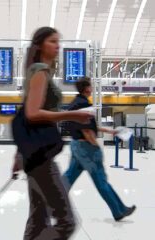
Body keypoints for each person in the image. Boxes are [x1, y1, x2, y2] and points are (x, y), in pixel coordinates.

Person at [11, 27, 93, 240]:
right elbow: (32, 113)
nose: (58, 45)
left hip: (33, 154)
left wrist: (19, 154)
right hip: (41, 158)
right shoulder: (40, 71)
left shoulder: (36, 71)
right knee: (67, 222)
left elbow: (24, 114)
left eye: (58, 41)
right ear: (40, 45)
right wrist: (72, 115)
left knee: (38, 218)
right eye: (52, 41)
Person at [62, 77, 136, 221]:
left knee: (68, 178)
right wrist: (95, 147)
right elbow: (87, 130)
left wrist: (110, 131)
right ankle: (119, 210)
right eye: (90, 86)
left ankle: (51, 204)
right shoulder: (84, 104)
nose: (92, 88)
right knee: (101, 181)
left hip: (76, 145)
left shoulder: (75, 103)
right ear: (87, 88)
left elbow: (90, 127)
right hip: (86, 148)